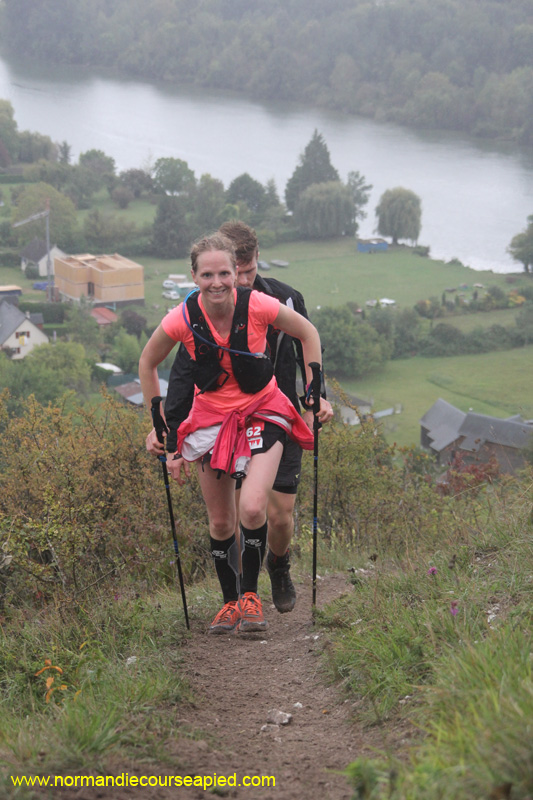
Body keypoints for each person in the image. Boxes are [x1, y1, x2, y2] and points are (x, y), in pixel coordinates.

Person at [140, 232, 331, 635]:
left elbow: (308, 334)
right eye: (207, 275)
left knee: (254, 508)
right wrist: (161, 426)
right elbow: (149, 363)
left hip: (265, 412)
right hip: (210, 419)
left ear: (236, 272)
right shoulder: (182, 318)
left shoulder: (261, 303)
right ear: (194, 276)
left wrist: (314, 394)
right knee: (222, 521)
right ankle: (229, 603)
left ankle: (251, 596)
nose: (218, 282)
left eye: (225, 273)